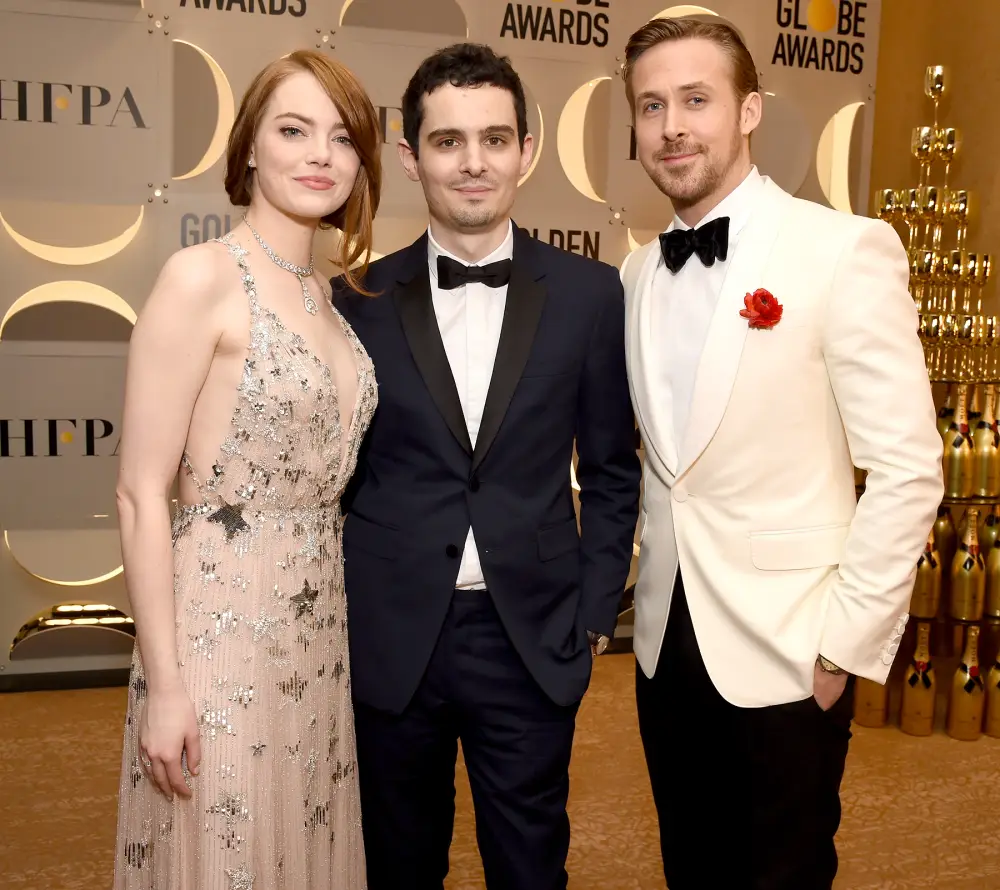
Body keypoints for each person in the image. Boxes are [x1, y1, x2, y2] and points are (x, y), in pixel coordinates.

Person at [618, 17, 943, 890]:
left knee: (783, 872)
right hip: (664, 643)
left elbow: (909, 468)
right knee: (689, 862)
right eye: (652, 106)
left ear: (750, 109)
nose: (673, 126)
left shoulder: (842, 249)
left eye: (696, 99)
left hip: (795, 652)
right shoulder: (637, 274)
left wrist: (844, 646)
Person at [333, 42, 641, 890]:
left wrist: (589, 617)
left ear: (527, 151)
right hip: (393, 636)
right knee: (397, 863)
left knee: (532, 865)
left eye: (496, 139)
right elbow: (338, 478)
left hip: (532, 636)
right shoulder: (354, 299)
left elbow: (613, 468)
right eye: (448, 141)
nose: (474, 164)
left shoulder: (590, 295)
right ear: (409, 155)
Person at [113, 50, 381, 889]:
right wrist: (166, 686)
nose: (318, 155)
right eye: (293, 129)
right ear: (251, 148)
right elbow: (138, 494)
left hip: (316, 641)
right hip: (215, 637)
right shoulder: (200, 278)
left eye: (341, 138)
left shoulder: (332, 297)